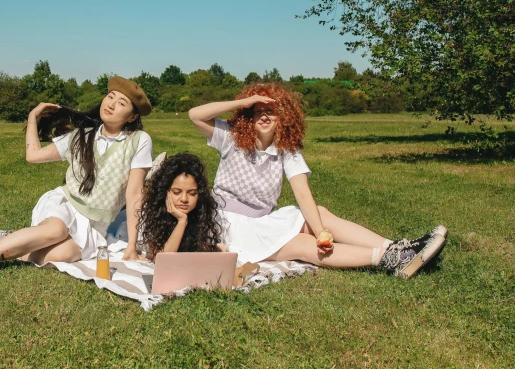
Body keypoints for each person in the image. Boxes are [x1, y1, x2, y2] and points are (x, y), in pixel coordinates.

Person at [188, 83, 447, 278]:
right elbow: (195, 115)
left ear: (283, 118)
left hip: (263, 220)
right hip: (227, 223)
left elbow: (302, 192)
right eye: (258, 112)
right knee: (302, 245)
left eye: (271, 111)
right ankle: (387, 260)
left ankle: (400, 249)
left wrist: (321, 229)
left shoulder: (286, 150)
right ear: (249, 117)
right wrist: (247, 100)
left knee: (319, 215)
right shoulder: (231, 139)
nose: (265, 116)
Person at [0, 76, 153, 286]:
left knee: (61, 254)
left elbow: (134, 192)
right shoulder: (80, 136)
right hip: (66, 205)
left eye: (121, 103)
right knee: (56, 231)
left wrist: (131, 247)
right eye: (110, 96)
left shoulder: (139, 141)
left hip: (96, 224)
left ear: (132, 117)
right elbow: (33, 156)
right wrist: (32, 119)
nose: (111, 103)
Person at [138, 153, 223, 259]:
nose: (184, 199)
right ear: (165, 192)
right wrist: (182, 221)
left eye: (192, 193)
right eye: (177, 192)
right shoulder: (154, 215)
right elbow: (163, 260)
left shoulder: (203, 215)